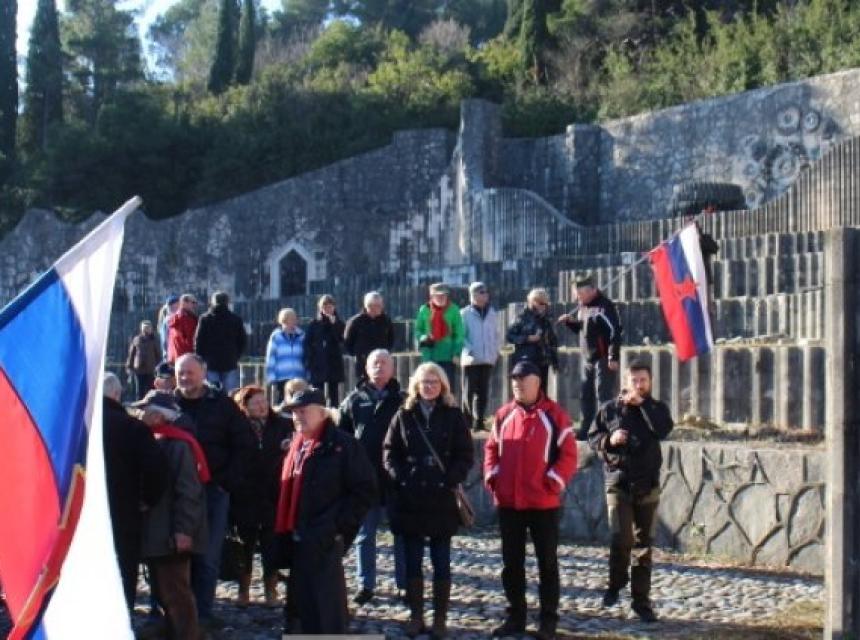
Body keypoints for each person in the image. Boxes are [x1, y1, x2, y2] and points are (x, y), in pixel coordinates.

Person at [484, 361, 577, 640]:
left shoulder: (556, 416)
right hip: (509, 503)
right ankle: (515, 616)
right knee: (511, 563)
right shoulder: (503, 415)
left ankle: (548, 620)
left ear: (538, 382)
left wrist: (553, 481)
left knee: (547, 563)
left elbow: (569, 455)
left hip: (542, 504)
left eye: (523, 379)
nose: (517, 384)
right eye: (514, 379)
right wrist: (493, 477)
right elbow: (491, 449)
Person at [275, 387, 377, 635]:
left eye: (303, 411)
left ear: (322, 413)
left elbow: (364, 490)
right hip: (297, 534)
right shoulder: (298, 445)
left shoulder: (343, 445)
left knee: (326, 607)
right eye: (294, 412)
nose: (297, 416)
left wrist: (336, 527)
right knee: (300, 604)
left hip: (325, 536)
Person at [383, 363, 474, 639]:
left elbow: (465, 454)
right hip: (411, 496)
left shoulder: (453, 415)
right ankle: (416, 616)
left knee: (441, 559)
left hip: (441, 496)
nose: (430, 386)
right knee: (412, 560)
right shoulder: (404, 414)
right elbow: (389, 452)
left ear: (442, 385)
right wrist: (401, 478)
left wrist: (451, 478)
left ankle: (440, 618)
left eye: (434, 381)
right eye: (425, 382)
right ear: (416, 385)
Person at [173, 353, 255, 629]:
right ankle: (176, 614)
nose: (185, 378)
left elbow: (244, 445)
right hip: (176, 493)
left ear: (204, 372)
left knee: (208, 555)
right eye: (181, 373)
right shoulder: (168, 404)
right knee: (174, 556)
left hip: (213, 490)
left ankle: (203, 613)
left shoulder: (223, 406)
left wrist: (226, 482)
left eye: (190, 372)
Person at [588, 360, 674, 623]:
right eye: (634, 380)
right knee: (621, 538)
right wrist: (609, 440)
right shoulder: (610, 409)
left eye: (643, 380)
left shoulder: (657, 408)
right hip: (618, 482)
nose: (638, 385)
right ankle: (616, 583)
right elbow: (593, 437)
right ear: (625, 382)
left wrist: (643, 405)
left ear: (650, 382)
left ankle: (641, 601)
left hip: (647, 484)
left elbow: (663, 429)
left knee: (643, 545)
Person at [135, 391, 209, 640]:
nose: (139, 414)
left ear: (158, 416)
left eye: (144, 410)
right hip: (161, 533)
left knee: (177, 593)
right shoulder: (161, 441)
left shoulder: (177, 445)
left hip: (170, 535)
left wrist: (183, 531)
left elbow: (188, 492)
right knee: (165, 592)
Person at [338, 349, 407, 605]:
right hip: (364, 479)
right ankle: (365, 584)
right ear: (366, 368)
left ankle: (404, 584)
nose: (379, 367)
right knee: (365, 535)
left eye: (384, 363)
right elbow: (342, 438)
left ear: (392, 369)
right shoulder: (353, 400)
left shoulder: (403, 400)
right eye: (375, 363)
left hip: (396, 477)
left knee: (401, 534)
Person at [102, 373, 167, 610]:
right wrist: (148, 499)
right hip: (124, 509)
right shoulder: (132, 427)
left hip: (81, 511)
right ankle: (121, 616)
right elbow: (156, 469)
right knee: (123, 567)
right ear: (117, 394)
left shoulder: (75, 425)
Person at [230, 385, 294, 607]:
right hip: (246, 493)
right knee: (244, 545)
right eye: (255, 402)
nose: (261, 406)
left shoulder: (282, 424)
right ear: (244, 406)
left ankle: (271, 589)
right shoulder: (238, 427)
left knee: (271, 544)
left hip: (273, 491)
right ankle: (243, 589)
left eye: (263, 401)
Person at [558, 274, 623, 440]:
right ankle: (587, 428)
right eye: (576, 294)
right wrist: (570, 322)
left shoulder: (605, 306)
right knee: (586, 395)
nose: (577, 297)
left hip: (603, 357)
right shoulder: (583, 307)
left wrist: (613, 356)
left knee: (604, 395)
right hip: (588, 359)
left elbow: (615, 331)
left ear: (592, 290)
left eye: (580, 294)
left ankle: (607, 428)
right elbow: (584, 329)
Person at [460, 281, 501, 431]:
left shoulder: (492, 313)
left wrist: (495, 350)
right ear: (473, 294)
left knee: (483, 392)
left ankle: (479, 422)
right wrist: (470, 349)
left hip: (487, 358)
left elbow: (496, 334)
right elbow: (460, 335)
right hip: (471, 359)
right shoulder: (464, 313)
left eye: (486, 292)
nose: (486, 295)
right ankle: (466, 423)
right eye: (482, 292)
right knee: (468, 392)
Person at [506, 288, 559, 394]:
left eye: (545, 304)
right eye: (541, 303)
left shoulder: (546, 319)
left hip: (543, 361)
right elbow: (509, 336)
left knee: (542, 392)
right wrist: (527, 338)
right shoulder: (521, 317)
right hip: (527, 361)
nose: (544, 306)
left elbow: (552, 341)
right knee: (529, 392)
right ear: (533, 301)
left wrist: (555, 361)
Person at [194, 291, 247, 394]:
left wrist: (202, 359)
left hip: (210, 362)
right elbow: (242, 341)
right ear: (227, 302)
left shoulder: (205, 319)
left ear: (212, 302)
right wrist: (236, 356)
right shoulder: (236, 319)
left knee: (212, 394)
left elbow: (199, 341)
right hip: (230, 361)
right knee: (231, 395)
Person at [415, 283, 464, 389]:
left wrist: (456, 352)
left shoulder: (453, 309)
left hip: (448, 356)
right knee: (429, 386)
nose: (441, 298)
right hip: (429, 354)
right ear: (431, 296)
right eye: (438, 295)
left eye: (444, 295)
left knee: (447, 387)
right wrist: (423, 337)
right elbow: (418, 330)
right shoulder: (424, 309)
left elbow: (459, 334)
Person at [303, 294, 346, 407]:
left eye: (330, 306)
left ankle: (334, 413)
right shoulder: (314, 324)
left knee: (334, 394)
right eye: (324, 306)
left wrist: (335, 324)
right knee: (318, 392)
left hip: (333, 362)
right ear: (320, 308)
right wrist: (309, 360)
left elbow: (341, 340)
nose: (327, 309)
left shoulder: (339, 323)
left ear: (334, 307)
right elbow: (307, 343)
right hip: (318, 363)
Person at [344, 291, 395, 379]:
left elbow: (391, 338)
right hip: (363, 361)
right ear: (367, 306)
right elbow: (347, 340)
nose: (377, 308)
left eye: (379, 306)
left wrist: (385, 351)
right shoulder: (356, 321)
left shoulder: (386, 320)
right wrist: (357, 353)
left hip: (381, 361)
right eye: (374, 306)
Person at [265, 308, 306, 404]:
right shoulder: (276, 337)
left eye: (294, 319)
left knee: (300, 403)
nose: (293, 321)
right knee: (283, 403)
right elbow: (271, 358)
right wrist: (271, 377)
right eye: (290, 319)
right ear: (283, 321)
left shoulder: (302, 336)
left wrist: (307, 375)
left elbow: (306, 356)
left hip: (299, 376)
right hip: (282, 376)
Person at [126, 320, 163, 400]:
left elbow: (158, 355)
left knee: (151, 390)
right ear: (141, 329)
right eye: (144, 328)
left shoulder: (154, 340)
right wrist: (129, 366)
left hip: (151, 370)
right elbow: (131, 354)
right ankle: (139, 405)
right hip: (139, 370)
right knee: (139, 391)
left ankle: (151, 404)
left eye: (148, 328)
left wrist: (159, 368)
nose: (146, 330)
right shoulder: (137, 339)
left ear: (151, 329)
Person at [167, 294, 198, 363]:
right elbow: (190, 339)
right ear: (184, 303)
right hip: (186, 357)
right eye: (193, 302)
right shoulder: (185, 318)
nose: (195, 305)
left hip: (176, 355)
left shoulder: (176, 317)